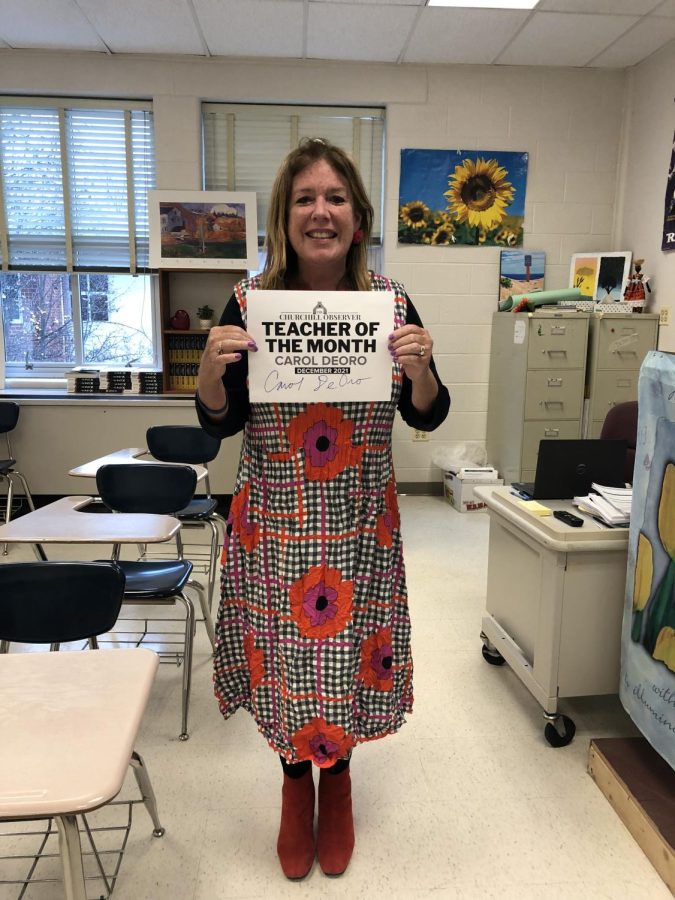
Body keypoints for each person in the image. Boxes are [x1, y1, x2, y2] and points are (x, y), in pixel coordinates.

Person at [196, 137, 450, 880]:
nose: (320, 212)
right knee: (282, 661)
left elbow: (427, 416)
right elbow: (221, 421)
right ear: (284, 216)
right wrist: (210, 377)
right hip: (274, 523)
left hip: (357, 524)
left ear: (357, 216)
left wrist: (422, 371)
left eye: (334, 198)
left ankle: (334, 784)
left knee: (339, 661)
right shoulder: (248, 303)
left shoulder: (391, 303)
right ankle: (289, 781)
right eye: (305, 198)